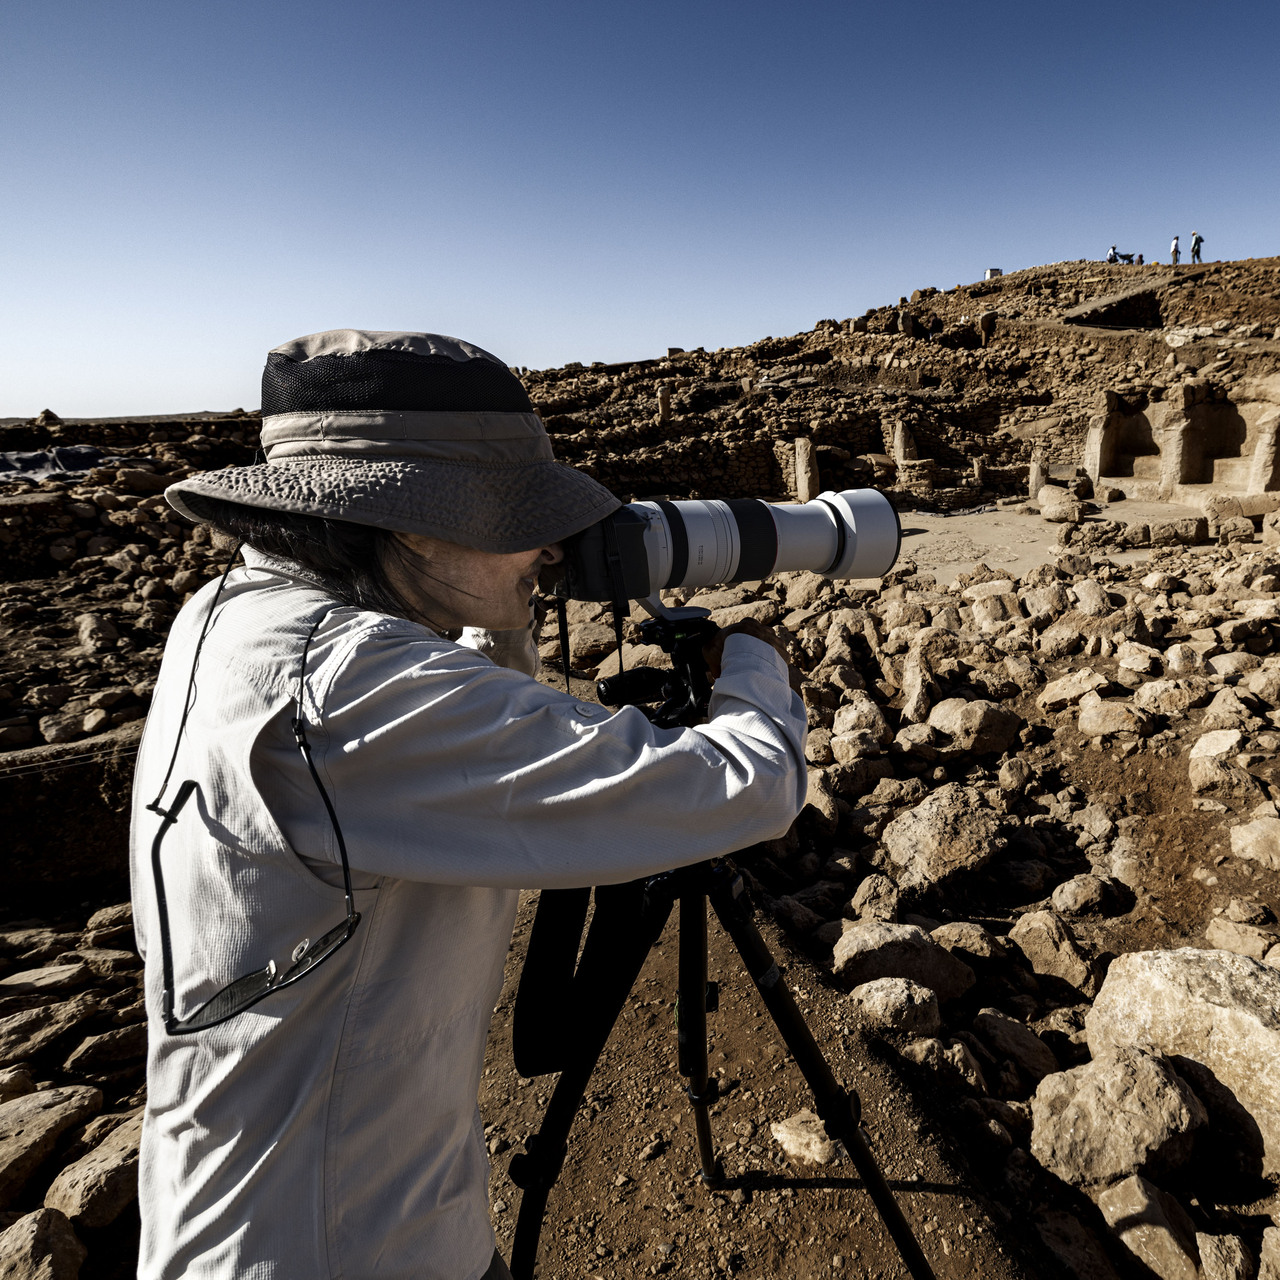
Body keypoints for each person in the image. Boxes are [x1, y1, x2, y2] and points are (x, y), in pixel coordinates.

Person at [129, 330, 809, 1280]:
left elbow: (454, 718)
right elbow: (748, 785)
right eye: (517, 515)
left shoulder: (232, 617)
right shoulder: (351, 688)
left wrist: (500, 600)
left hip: (268, 1213)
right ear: (408, 524)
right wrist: (754, 665)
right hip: (348, 1245)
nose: (546, 544)